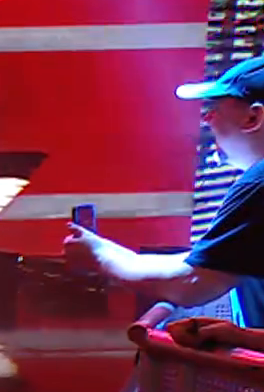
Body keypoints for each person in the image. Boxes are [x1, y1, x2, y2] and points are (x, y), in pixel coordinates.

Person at [67, 55, 264, 324]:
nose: (207, 119)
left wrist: (99, 256)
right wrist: (106, 250)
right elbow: (212, 261)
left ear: (253, 117)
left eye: (215, 109)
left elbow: (192, 282)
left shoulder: (258, 183)